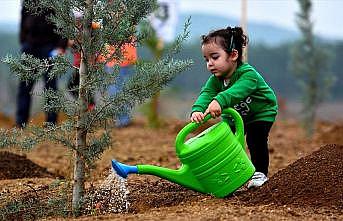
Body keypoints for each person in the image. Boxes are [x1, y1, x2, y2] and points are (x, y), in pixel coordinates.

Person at [190, 27, 278, 189]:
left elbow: (237, 91)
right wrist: (197, 109)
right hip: (235, 116)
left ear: (233, 55)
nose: (210, 64)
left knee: (255, 139)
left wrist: (219, 100)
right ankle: (227, 175)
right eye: (206, 59)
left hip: (260, 113)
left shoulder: (248, 74)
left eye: (215, 57)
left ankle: (260, 173)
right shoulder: (215, 80)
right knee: (225, 142)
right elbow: (206, 93)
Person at [17, 0, 67, 128]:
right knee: (25, 86)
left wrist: (61, 46)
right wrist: (23, 42)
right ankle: (20, 123)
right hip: (30, 47)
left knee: (50, 87)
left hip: (49, 47)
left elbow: (63, 23)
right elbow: (23, 21)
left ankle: (51, 123)